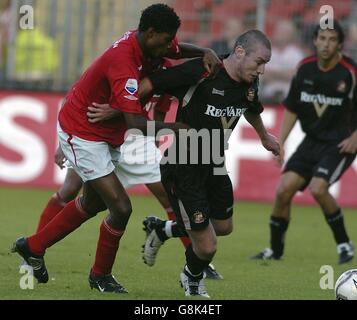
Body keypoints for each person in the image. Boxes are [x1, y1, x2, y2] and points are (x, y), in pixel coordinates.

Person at [12, 3, 221, 294]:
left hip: (107, 135)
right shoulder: (122, 62)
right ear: (149, 33)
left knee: (92, 203)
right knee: (121, 207)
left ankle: (32, 247)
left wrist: (203, 52)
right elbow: (136, 123)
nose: (166, 50)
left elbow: (176, 48)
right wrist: (176, 129)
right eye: (163, 42)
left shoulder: (151, 42)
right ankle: (100, 275)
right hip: (83, 132)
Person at [139, 29, 280, 297]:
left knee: (224, 226)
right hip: (183, 164)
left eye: (265, 64)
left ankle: (163, 228)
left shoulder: (249, 82)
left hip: (214, 163)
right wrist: (120, 110)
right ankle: (191, 279)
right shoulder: (203, 71)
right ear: (240, 52)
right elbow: (152, 82)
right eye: (259, 62)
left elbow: (250, 107)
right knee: (207, 246)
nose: (261, 70)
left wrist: (263, 136)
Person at [252, 20, 357, 264]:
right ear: (315, 40)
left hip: (340, 143)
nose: (326, 44)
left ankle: (344, 244)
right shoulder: (305, 68)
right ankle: (275, 251)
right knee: (283, 190)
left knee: (318, 188)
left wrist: (355, 137)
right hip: (311, 141)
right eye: (322, 38)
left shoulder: (350, 73)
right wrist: (281, 143)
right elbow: (291, 108)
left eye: (332, 40)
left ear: (340, 44)